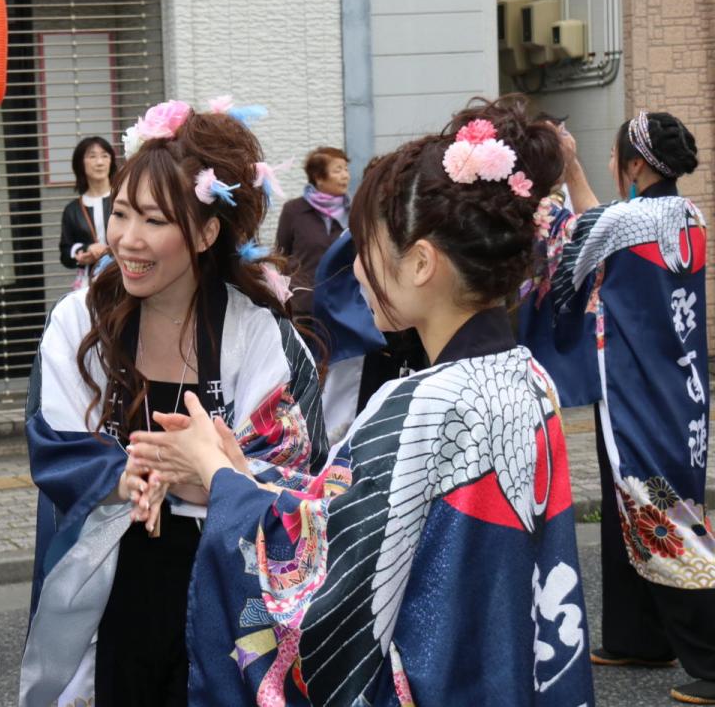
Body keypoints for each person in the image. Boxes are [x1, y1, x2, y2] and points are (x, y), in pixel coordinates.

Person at [130, 96, 595, 705]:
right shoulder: (525, 377)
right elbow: (355, 511)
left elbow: (316, 579)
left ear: (422, 262)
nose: (354, 274)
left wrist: (220, 477)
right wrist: (241, 472)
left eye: (367, 250)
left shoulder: (420, 404)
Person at [20, 99, 327, 706]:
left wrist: (205, 476)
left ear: (207, 231)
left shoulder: (255, 331)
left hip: (224, 584)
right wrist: (128, 472)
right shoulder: (79, 321)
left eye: (154, 221)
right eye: (122, 213)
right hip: (110, 584)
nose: (128, 240)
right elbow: (52, 440)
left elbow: (295, 470)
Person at [524, 111, 715, 705]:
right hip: (678, 391)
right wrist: (575, 166)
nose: (610, 167)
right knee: (624, 499)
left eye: (614, 158)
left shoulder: (623, 221)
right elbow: (602, 224)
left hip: (638, 391)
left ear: (634, 164)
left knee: (660, 513)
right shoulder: (687, 215)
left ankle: (711, 658)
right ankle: (640, 635)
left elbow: (578, 252)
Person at [274, 146, 350, 326]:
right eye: (337, 170)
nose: (345, 175)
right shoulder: (293, 210)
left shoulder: (352, 212)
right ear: (318, 177)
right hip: (303, 307)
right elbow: (281, 254)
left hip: (342, 306)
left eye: (346, 169)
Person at [57, 136, 116, 290]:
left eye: (105, 156)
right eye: (92, 156)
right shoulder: (73, 210)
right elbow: (65, 254)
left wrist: (108, 250)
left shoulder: (122, 199)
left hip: (122, 277)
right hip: (89, 284)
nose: (100, 162)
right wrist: (87, 249)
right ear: (80, 163)